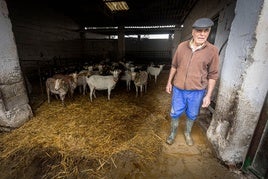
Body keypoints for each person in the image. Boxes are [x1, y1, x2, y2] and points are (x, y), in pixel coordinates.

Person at [165, 17, 219, 146]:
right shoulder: (181, 47)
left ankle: (187, 133)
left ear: (209, 32)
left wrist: (208, 95)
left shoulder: (212, 51)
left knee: (192, 114)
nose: (202, 34)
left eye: (206, 31)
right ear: (193, 31)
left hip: (197, 91)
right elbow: (174, 66)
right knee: (175, 112)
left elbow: (213, 75)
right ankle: (173, 133)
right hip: (178, 89)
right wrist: (169, 82)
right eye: (199, 30)